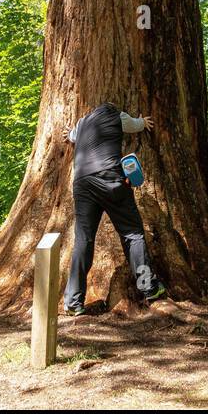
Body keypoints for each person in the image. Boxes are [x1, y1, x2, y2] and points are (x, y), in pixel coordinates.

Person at [63, 101, 166, 314]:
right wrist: (143, 121)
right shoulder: (118, 116)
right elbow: (136, 125)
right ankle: (149, 288)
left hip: (82, 184)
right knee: (133, 235)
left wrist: (70, 133)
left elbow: (71, 136)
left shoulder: (82, 123)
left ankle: (73, 302)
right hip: (110, 177)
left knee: (83, 240)